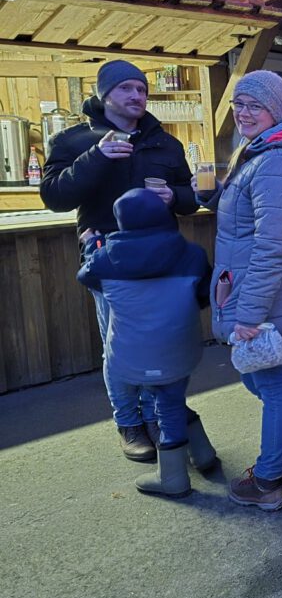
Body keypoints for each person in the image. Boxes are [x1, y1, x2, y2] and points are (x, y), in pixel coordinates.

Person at [40, 59, 199, 463]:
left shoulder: (166, 143)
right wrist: (96, 156)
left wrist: (175, 198)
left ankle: (155, 415)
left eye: (142, 89)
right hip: (108, 261)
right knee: (119, 347)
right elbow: (55, 198)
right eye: (126, 88)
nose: (136, 96)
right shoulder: (75, 141)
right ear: (103, 93)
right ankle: (129, 422)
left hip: (162, 261)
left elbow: (188, 198)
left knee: (159, 343)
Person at [198, 70, 282, 512]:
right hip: (261, 293)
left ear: (277, 110)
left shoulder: (277, 161)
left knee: (270, 385)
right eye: (239, 103)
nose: (244, 112)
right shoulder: (259, 152)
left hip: (269, 298)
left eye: (255, 105)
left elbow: (271, 248)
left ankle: (268, 479)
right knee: (265, 381)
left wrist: (249, 315)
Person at [77, 188, 215, 499]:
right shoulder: (191, 254)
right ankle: (203, 454)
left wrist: (92, 246)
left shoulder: (105, 258)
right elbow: (204, 296)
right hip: (181, 348)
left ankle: (173, 478)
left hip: (132, 355)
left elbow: (86, 277)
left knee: (166, 405)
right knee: (171, 396)